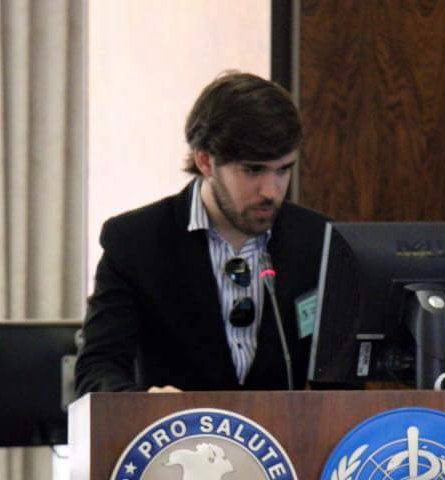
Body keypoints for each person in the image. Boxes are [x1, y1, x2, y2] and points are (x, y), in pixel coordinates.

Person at [75, 72, 328, 394]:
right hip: (178, 439)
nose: (271, 191)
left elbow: (341, 378)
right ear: (206, 161)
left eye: (283, 170)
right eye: (253, 170)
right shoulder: (135, 241)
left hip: (284, 442)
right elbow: (97, 370)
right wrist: (142, 404)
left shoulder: (318, 240)